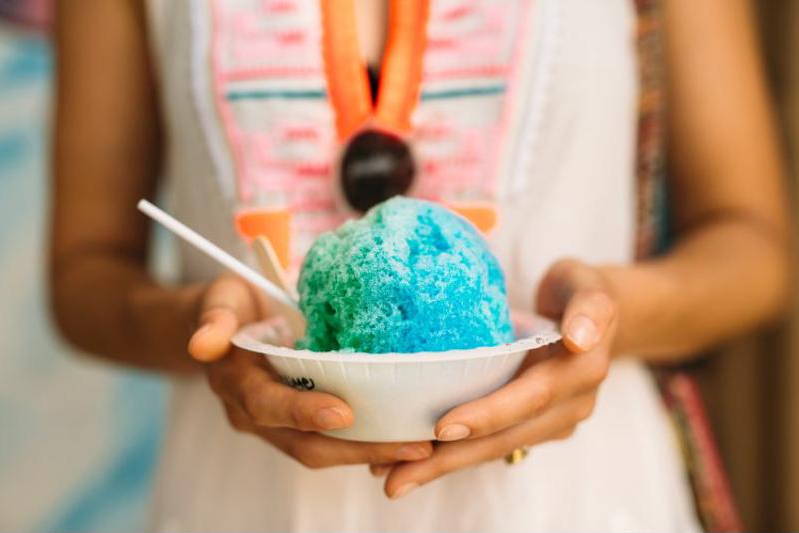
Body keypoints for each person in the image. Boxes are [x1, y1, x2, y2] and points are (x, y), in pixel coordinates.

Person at [50, 0, 789, 530]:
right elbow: (84, 272)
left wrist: (604, 319)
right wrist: (200, 325)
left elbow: (757, 246)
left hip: (576, 499)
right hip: (243, 501)